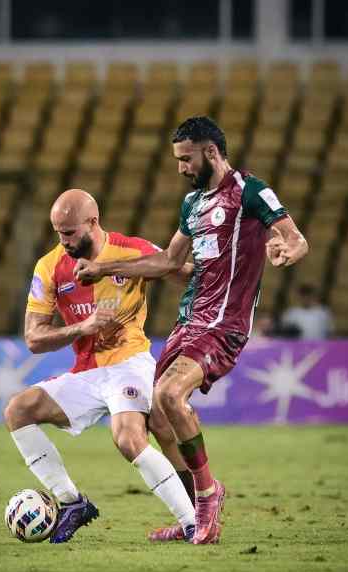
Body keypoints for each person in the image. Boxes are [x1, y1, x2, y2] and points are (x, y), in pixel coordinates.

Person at [74, 116, 309, 544]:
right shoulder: (192, 204)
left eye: (186, 159)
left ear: (211, 152)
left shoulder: (250, 191)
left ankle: (208, 495)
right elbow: (167, 261)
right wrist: (105, 267)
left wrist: (285, 249)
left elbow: (295, 237)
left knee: (168, 394)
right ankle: (193, 519)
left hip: (225, 323)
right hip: (188, 322)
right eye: (178, 160)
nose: (181, 168)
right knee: (159, 418)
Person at [4, 188, 199, 544]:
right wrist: (84, 327)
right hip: (86, 371)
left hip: (130, 362)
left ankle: (192, 523)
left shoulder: (133, 250)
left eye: (70, 232)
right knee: (18, 410)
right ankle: (71, 502)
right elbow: (33, 339)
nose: (62, 240)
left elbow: (185, 274)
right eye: (58, 232)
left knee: (128, 438)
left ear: (93, 222)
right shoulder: (49, 267)